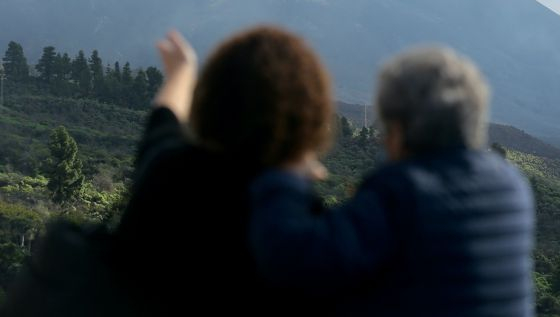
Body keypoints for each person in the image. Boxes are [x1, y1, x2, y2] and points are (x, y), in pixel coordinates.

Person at [250, 46, 535, 317]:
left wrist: (288, 168)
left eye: (385, 126)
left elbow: (294, 259)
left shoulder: (405, 189)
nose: (380, 138)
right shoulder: (512, 186)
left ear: (401, 129)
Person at [111, 26, 334, 315]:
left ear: (210, 104)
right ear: (311, 125)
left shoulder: (167, 173)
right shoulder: (305, 230)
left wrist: (183, 71)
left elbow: (165, 115)